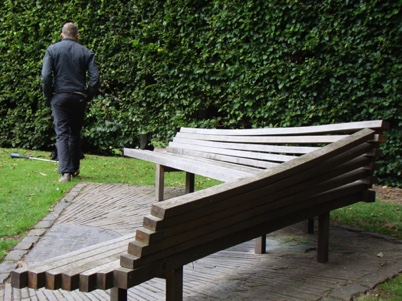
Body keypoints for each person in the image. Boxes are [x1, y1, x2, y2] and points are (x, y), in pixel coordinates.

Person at [41, 22, 100, 183]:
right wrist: (89, 94)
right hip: (79, 95)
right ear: (77, 35)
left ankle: (66, 172)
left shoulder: (52, 50)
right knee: (74, 132)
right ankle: (74, 168)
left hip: (59, 95)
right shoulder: (86, 52)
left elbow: (46, 76)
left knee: (62, 133)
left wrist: (48, 95)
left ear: (62, 35)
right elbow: (95, 78)